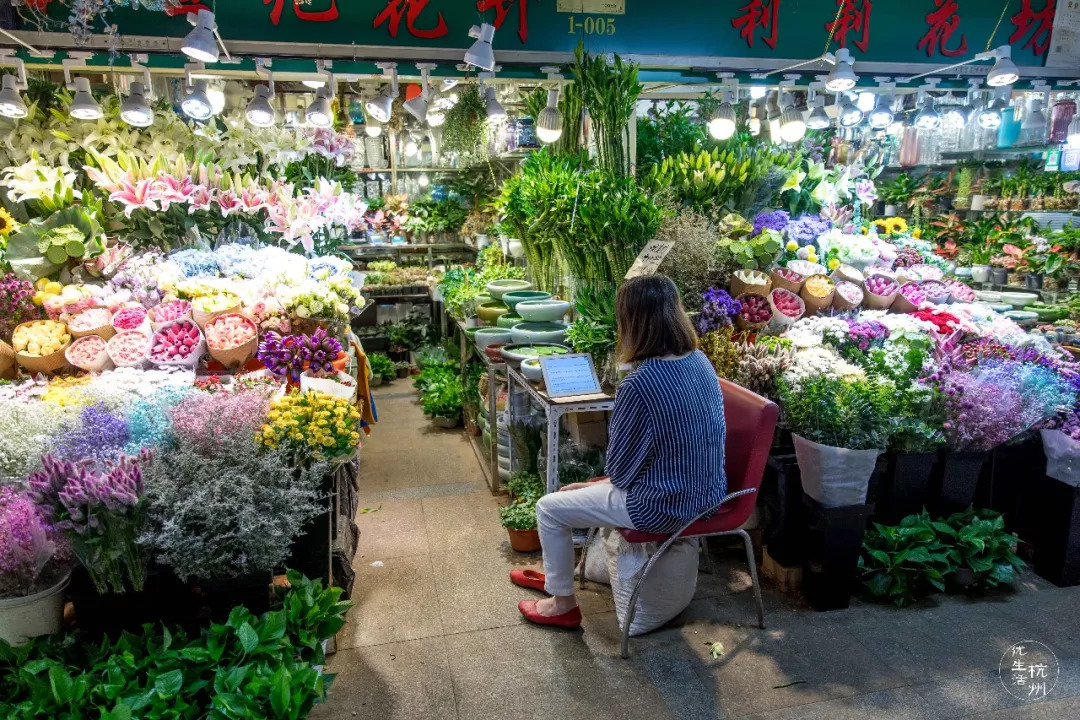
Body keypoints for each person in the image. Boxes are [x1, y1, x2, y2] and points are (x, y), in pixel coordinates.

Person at [511, 274, 727, 629]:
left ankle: (562, 602)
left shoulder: (640, 384)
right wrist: (600, 485)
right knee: (577, 495)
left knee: (549, 508)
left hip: (662, 505)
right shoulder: (699, 362)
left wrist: (596, 484)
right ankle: (559, 575)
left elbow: (622, 474)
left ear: (632, 322)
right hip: (708, 494)